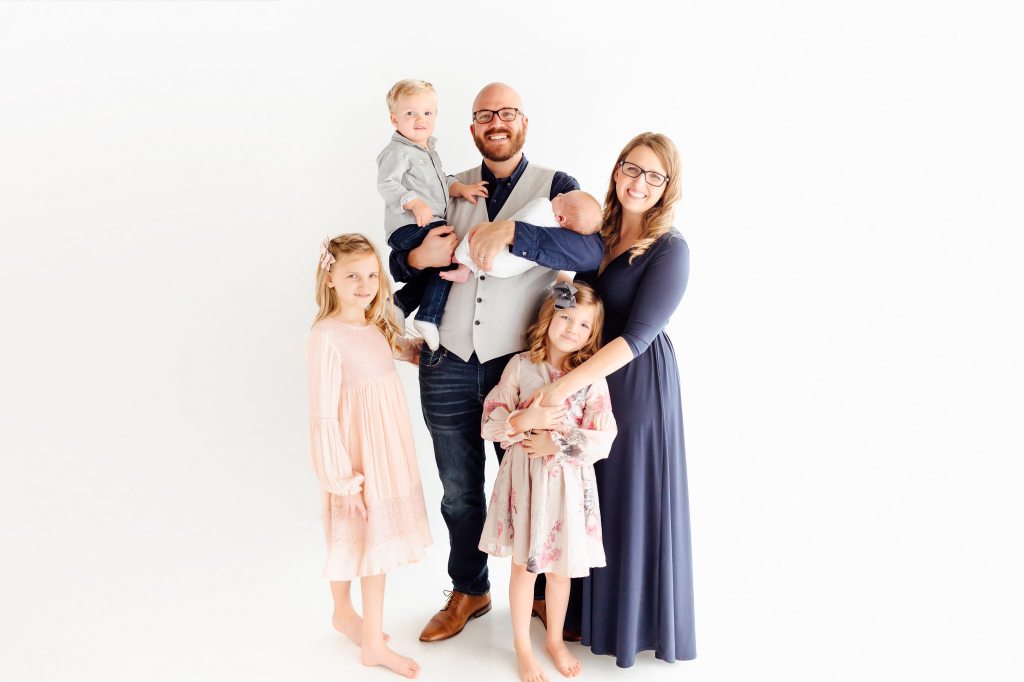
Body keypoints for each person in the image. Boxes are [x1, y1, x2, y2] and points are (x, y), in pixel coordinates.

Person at [388, 82, 605, 643]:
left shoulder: (556, 187)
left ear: (524, 122)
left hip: (521, 371)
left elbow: (590, 249)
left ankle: (540, 592)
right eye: (485, 115)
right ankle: (470, 589)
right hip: (447, 362)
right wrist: (416, 257)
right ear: (472, 128)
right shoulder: (449, 183)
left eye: (507, 113)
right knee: (459, 490)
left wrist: (515, 232)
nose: (497, 122)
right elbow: (401, 257)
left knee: (536, 480)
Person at [539, 133, 696, 667]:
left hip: (636, 383)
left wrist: (562, 386)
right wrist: (555, 281)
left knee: (627, 494)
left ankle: (628, 625)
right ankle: (579, 614)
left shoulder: (670, 249)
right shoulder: (599, 233)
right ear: (616, 170)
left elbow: (638, 336)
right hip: (589, 379)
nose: (639, 183)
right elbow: (574, 299)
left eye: (654, 176)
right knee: (589, 493)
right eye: (632, 168)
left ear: (667, 186)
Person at [307, 234, 432, 678]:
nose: (365, 285)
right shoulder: (326, 336)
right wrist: (341, 478)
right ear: (331, 279)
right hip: (357, 454)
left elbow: (400, 357)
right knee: (362, 540)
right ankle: (370, 639)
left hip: (386, 448)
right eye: (353, 276)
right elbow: (323, 414)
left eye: (372, 276)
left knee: (365, 540)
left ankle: (346, 615)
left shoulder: (377, 325)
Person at [479, 282, 617, 682]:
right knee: (524, 569)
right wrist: (526, 420)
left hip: (567, 489)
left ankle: (554, 640)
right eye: (566, 318)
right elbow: (490, 422)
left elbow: (603, 437)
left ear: (593, 334)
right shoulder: (521, 366)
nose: (573, 329)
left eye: (584, 325)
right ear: (548, 318)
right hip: (525, 485)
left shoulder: (591, 378)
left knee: (559, 571)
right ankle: (523, 646)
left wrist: (555, 442)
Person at [377, 79, 488, 348]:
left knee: (437, 266)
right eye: (410, 113)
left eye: (427, 113)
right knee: (450, 256)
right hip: (408, 225)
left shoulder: (429, 151)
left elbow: (439, 183)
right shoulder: (397, 152)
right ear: (394, 119)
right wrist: (412, 202)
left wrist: (460, 188)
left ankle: (399, 305)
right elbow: (386, 183)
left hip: (424, 223)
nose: (420, 119)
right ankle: (428, 317)